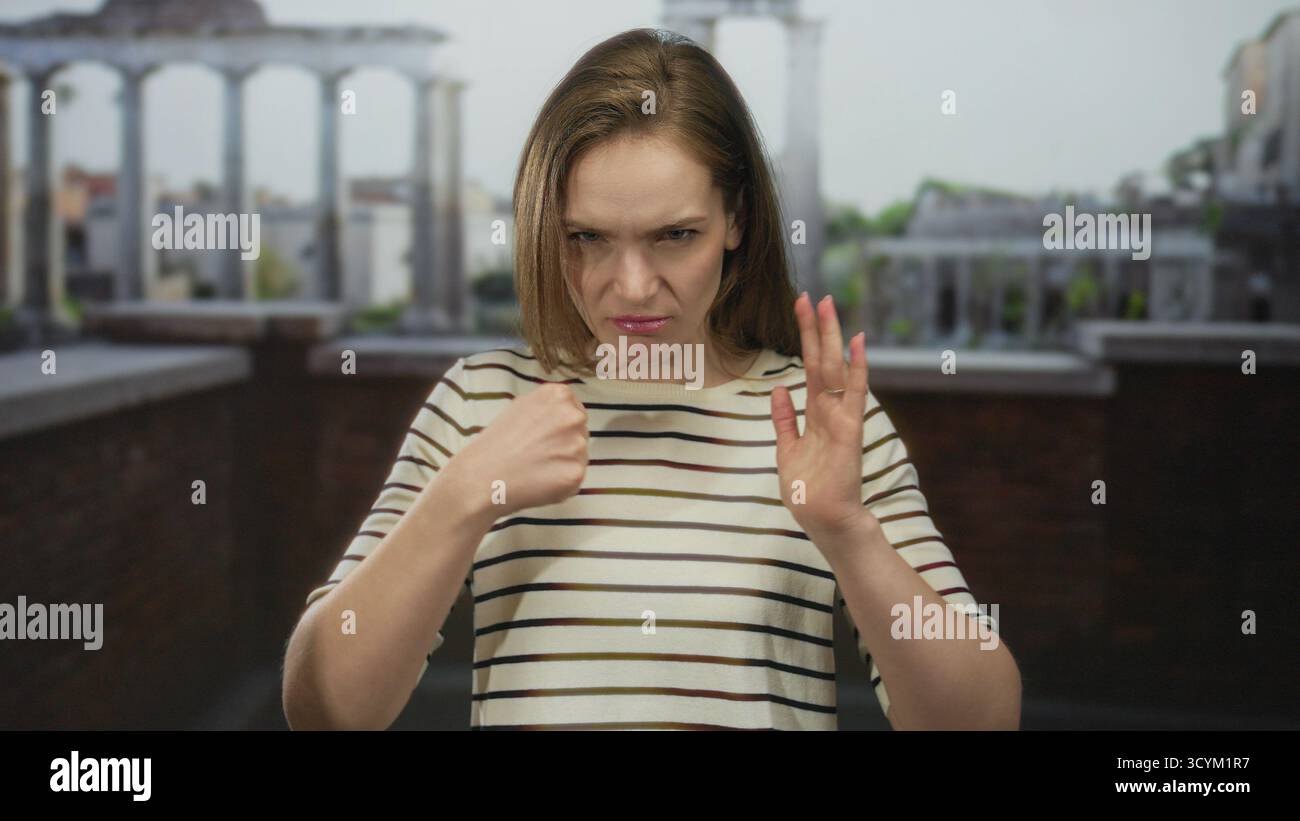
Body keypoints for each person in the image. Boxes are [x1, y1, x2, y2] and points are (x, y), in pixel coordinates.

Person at [282, 28, 1021, 731]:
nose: (631, 287)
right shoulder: (481, 401)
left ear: (736, 218)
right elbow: (324, 710)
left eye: (674, 235)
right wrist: (464, 495)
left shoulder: (818, 420)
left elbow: (985, 718)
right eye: (588, 239)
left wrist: (849, 531)